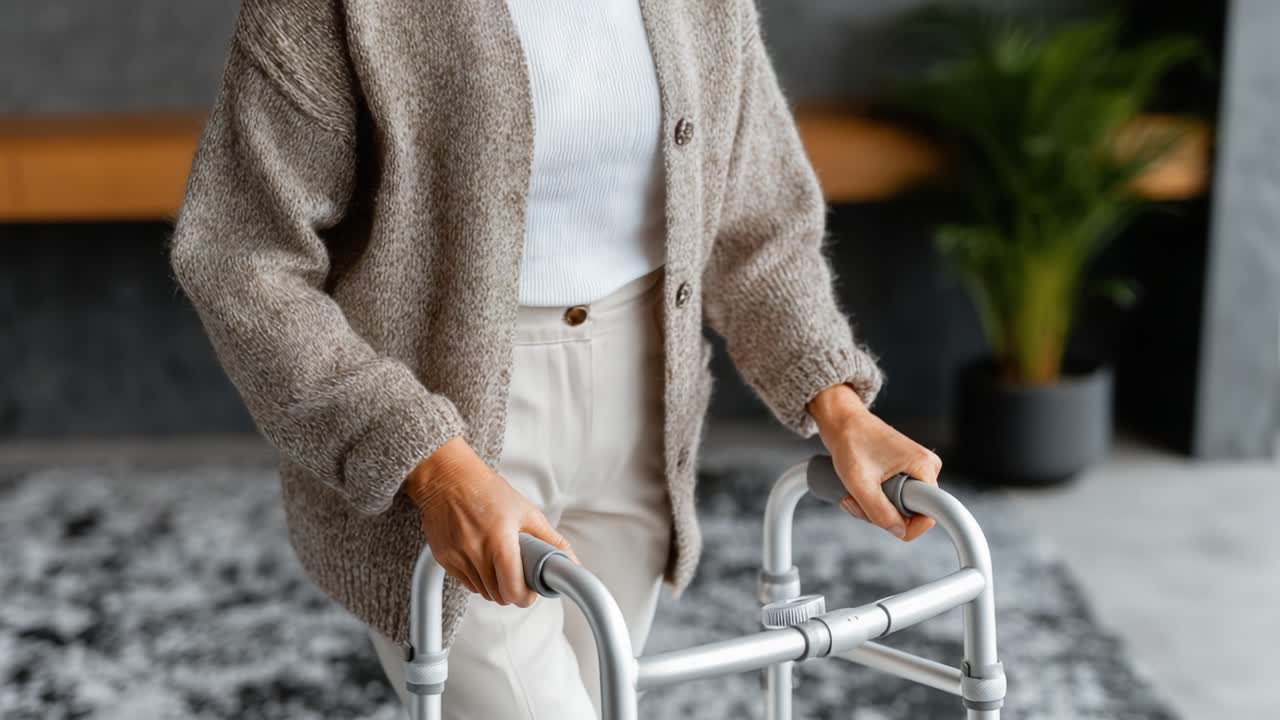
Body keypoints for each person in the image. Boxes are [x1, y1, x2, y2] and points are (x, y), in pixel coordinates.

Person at [169, 0, 942, 717]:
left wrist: (840, 407)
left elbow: (757, 220)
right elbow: (239, 259)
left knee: (607, 697)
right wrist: (428, 464)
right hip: (445, 424)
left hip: (640, 409)